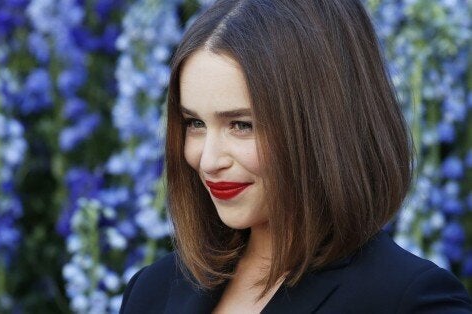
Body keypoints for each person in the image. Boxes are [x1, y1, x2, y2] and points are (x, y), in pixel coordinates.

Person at [120, 0, 472, 313]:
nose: (208, 160)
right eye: (195, 123)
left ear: (324, 128)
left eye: (242, 125)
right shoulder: (153, 289)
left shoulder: (410, 301)